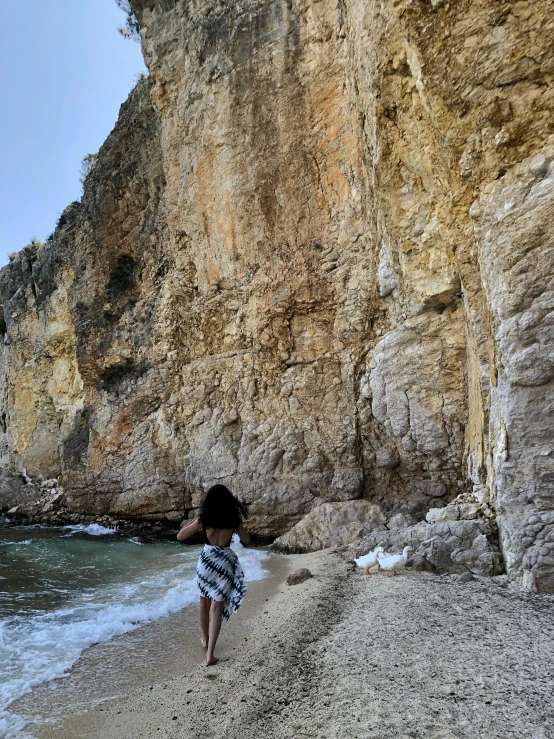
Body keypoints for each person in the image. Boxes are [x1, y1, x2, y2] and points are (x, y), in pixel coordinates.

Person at [177, 484, 250, 666]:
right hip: (224, 563)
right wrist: (237, 525)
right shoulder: (233, 519)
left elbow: (180, 536)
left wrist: (195, 521)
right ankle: (210, 654)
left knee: (203, 602)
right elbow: (247, 540)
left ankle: (205, 639)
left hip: (206, 563)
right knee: (216, 608)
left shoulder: (205, 518)